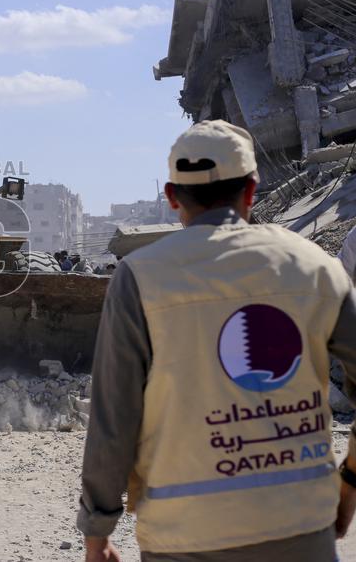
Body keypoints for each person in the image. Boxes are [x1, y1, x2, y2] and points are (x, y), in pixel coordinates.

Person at [78, 120, 356, 561]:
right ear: (251, 190)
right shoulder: (317, 267)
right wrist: (350, 482)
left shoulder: (139, 278)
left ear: (172, 198)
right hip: (302, 527)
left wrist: (98, 532)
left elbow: (114, 420)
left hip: (183, 539)